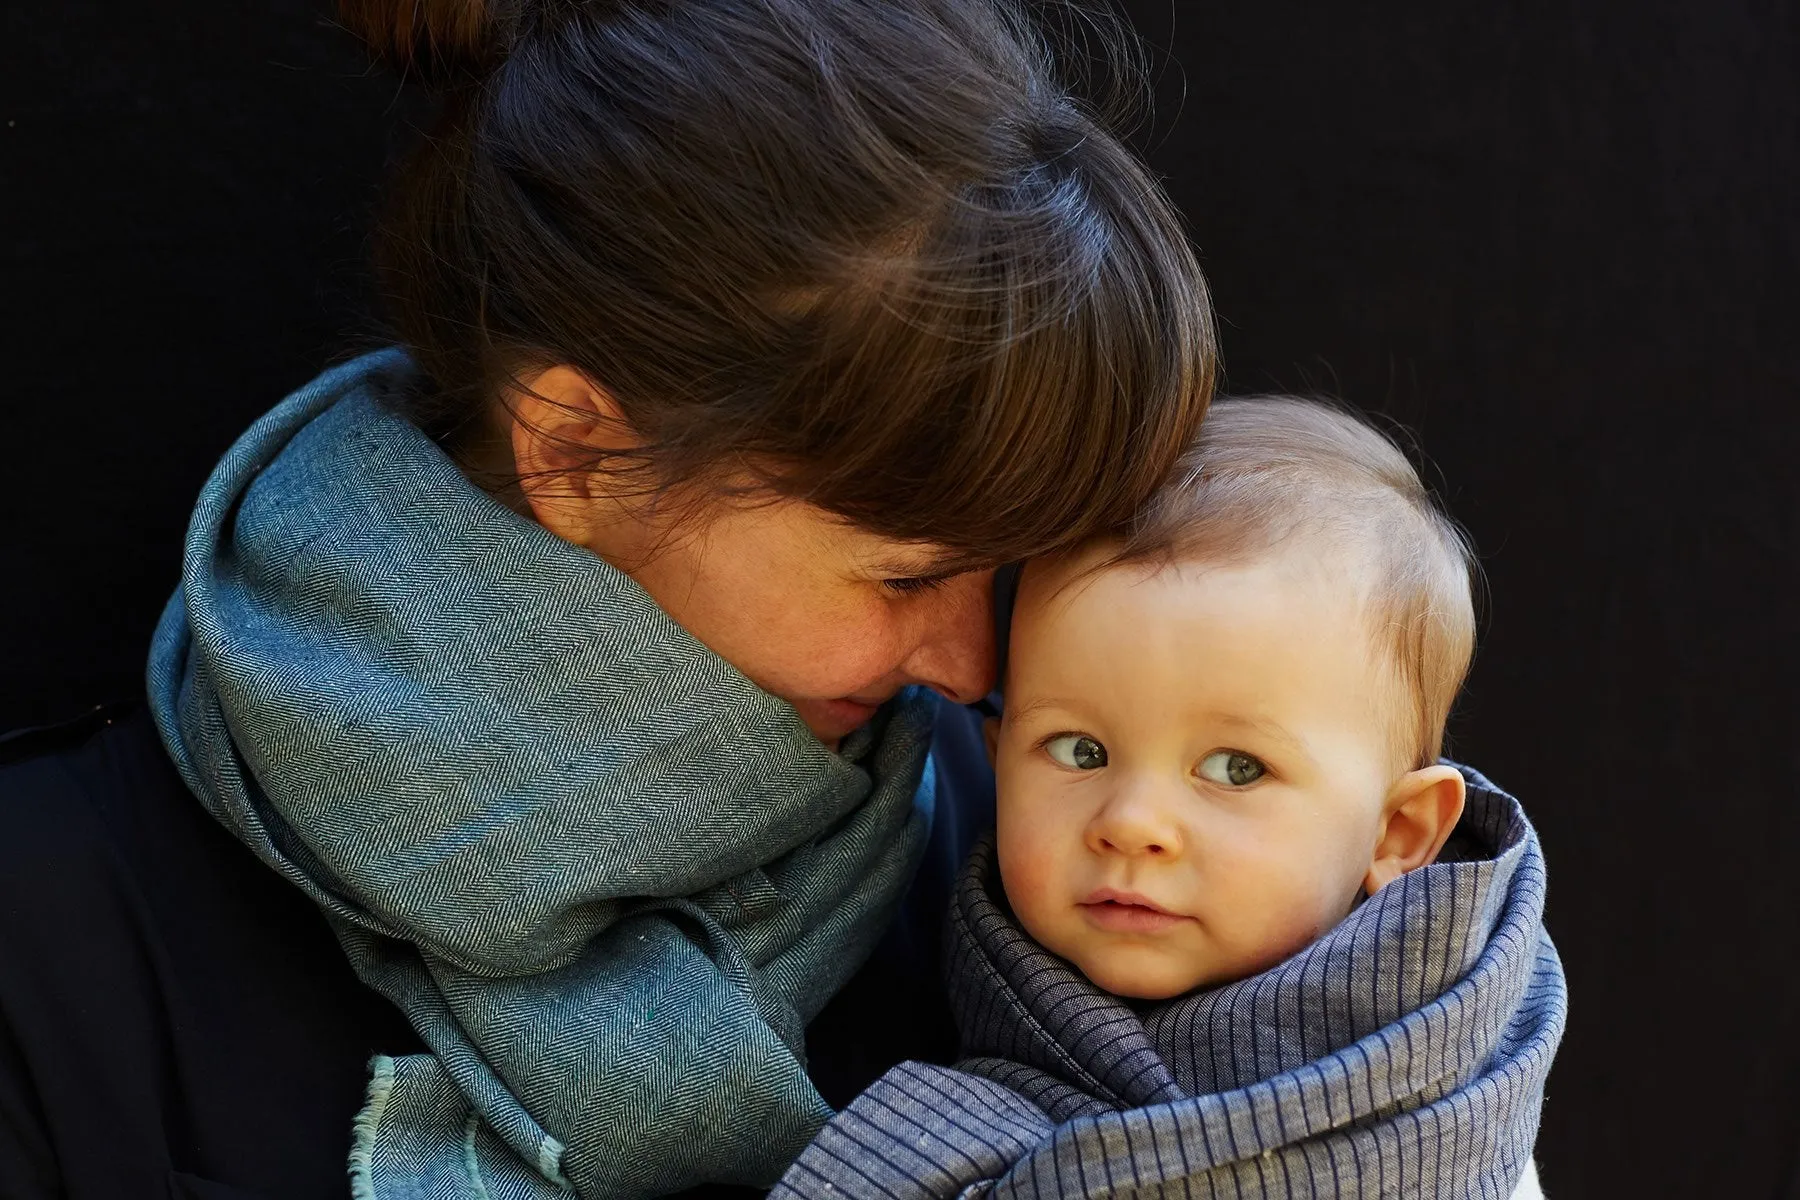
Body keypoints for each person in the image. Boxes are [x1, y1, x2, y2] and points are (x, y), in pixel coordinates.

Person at [0, 0, 1216, 1197]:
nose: (970, 666)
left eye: (1009, 574)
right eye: (908, 574)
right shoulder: (47, 939)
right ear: (576, 455)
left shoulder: (1028, 858)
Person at [776, 396, 1568, 1198]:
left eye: (1234, 769)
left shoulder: (1449, 1087)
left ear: (1397, 834)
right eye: (1080, 752)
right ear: (998, 759)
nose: (1130, 824)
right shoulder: (918, 1006)